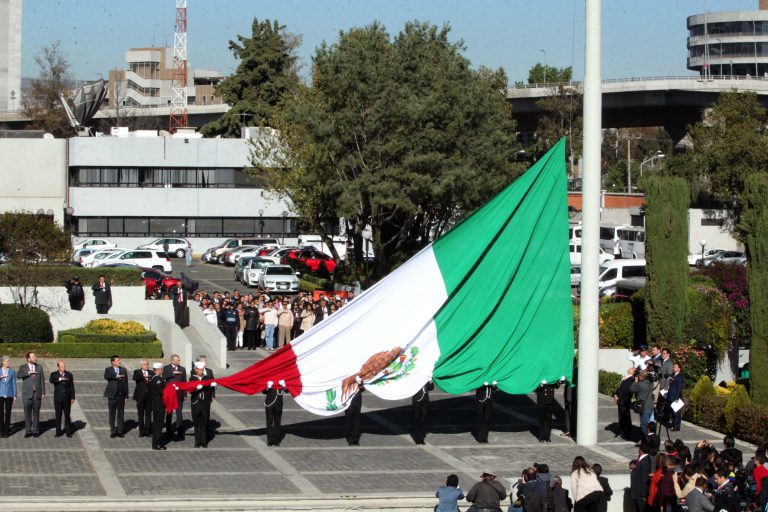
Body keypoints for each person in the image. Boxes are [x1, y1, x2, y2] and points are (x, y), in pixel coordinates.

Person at [17, 351, 45, 438]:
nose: (35, 358)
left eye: (35, 356)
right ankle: (28, 431)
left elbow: (42, 381)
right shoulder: (23, 367)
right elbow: (18, 375)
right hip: (26, 394)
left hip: (37, 394)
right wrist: (27, 373)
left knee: (36, 413)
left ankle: (36, 430)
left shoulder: (39, 367)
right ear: (28, 359)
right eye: (33, 357)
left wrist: (43, 392)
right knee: (27, 414)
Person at [190, 361, 214, 448]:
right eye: (199, 370)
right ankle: (197, 441)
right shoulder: (192, 378)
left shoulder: (206, 377)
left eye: (202, 370)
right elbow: (190, 389)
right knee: (196, 421)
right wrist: (196, 388)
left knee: (204, 421)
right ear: (196, 370)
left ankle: (204, 441)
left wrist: (212, 386)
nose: (201, 371)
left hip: (204, 403)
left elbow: (209, 390)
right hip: (196, 403)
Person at [103, 355, 128, 438]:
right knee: (112, 414)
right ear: (113, 362)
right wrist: (116, 376)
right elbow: (106, 376)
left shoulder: (123, 370)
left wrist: (126, 396)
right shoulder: (108, 369)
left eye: (119, 360)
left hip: (121, 395)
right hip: (112, 395)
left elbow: (126, 383)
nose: (119, 361)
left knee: (121, 414)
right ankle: (113, 431)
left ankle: (120, 431)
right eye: (117, 360)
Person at [49, 360, 76, 438]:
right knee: (58, 415)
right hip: (58, 398)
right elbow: (51, 380)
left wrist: (72, 397)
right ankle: (58, 431)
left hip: (67, 398)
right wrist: (60, 379)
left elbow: (72, 386)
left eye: (64, 366)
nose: (63, 368)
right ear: (58, 367)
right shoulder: (54, 374)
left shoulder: (69, 374)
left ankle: (68, 431)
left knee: (67, 415)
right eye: (61, 367)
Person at [163, 354, 187, 440]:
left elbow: (184, 382)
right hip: (170, 394)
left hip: (179, 394)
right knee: (169, 412)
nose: (178, 362)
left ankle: (180, 431)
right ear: (172, 361)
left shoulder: (182, 369)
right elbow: (164, 377)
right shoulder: (166, 368)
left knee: (179, 413)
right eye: (177, 360)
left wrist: (185, 394)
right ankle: (168, 430)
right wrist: (173, 373)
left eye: (179, 360)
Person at [132, 359, 153, 438]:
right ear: (141, 365)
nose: (146, 365)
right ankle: (141, 432)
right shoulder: (137, 372)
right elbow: (135, 377)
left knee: (148, 415)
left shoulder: (151, 372)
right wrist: (144, 376)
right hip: (140, 397)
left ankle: (147, 431)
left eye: (147, 364)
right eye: (145, 364)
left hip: (149, 397)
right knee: (140, 415)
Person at [148, 362, 167, 450]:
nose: (162, 370)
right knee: (158, 425)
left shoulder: (152, 378)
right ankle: (157, 443)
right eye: (161, 369)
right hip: (159, 404)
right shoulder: (158, 379)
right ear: (158, 370)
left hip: (156, 404)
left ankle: (156, 443)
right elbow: (161, 392)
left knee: (157, 424)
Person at [613, 367, 635, 440]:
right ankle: (621, 432)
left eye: (632, 368)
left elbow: (626, 390)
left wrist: (618, 396)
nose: (630, 368)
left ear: (633, 372)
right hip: (621, 399)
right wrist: (616, 394)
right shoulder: (626, 378)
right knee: (621, 416)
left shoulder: (631, 379)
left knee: (625, 416)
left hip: (625, 400)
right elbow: (620, 388)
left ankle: (626, 433)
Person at [630, 441, 652, 512]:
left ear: (641, 450)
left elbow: (645, 479)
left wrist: (643, 494)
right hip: (637, 492)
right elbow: (635, 461)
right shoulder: (642, 459)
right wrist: (633, 463)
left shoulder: (645, 462)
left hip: (640, 493)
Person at [630, 370, 654, 434]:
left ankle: (646, 440)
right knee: (648, 424)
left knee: (644, 425)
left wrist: (635, 381)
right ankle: (646, 438)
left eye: (639, 375)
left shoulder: (640, 384)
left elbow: (631, 389)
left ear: (642, 377)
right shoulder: (650, 383)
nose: (638, 376)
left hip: (644, 407)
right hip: (650, 406)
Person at [412, 379, 434, 445]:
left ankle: (421, 437)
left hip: (425, 401)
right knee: (417, 419)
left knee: (423, 419)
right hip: (417, 401)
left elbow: (431, 388)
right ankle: (418, 439)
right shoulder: (415, 380)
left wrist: (430, 381)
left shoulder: (425, 379)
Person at [0, 355, 17, 438]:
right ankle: (1, 431)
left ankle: (6, 431)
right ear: (2, 362)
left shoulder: (12, 371)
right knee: (0, 414)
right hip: (0, 394)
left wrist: (14, 395)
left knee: (8, 413)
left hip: (9, 394)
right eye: (7, 361)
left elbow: (14, 383)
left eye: (9, 361)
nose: (9, 362)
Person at [264, 379, 284, 447]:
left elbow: (287, 390)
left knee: (277, 422)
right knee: (269, 421)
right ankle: (269, 440)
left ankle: (276, 440)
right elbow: (263, 391)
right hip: (270, 402)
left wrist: (284, 385)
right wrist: (268, 388)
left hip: (279, 403)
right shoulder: (269, 378)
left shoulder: (282, 379)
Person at [666, 363, 684, 431]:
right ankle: (673, 425)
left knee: (676, 413)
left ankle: (676, 427)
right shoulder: (673, 375)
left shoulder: (680, 377)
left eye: (675, 367)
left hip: (675, 397)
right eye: (673, 367)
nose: (674, 368)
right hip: (670, 396)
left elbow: (679, 388)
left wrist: (677, 398)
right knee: (671, 412)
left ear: (679, 369)